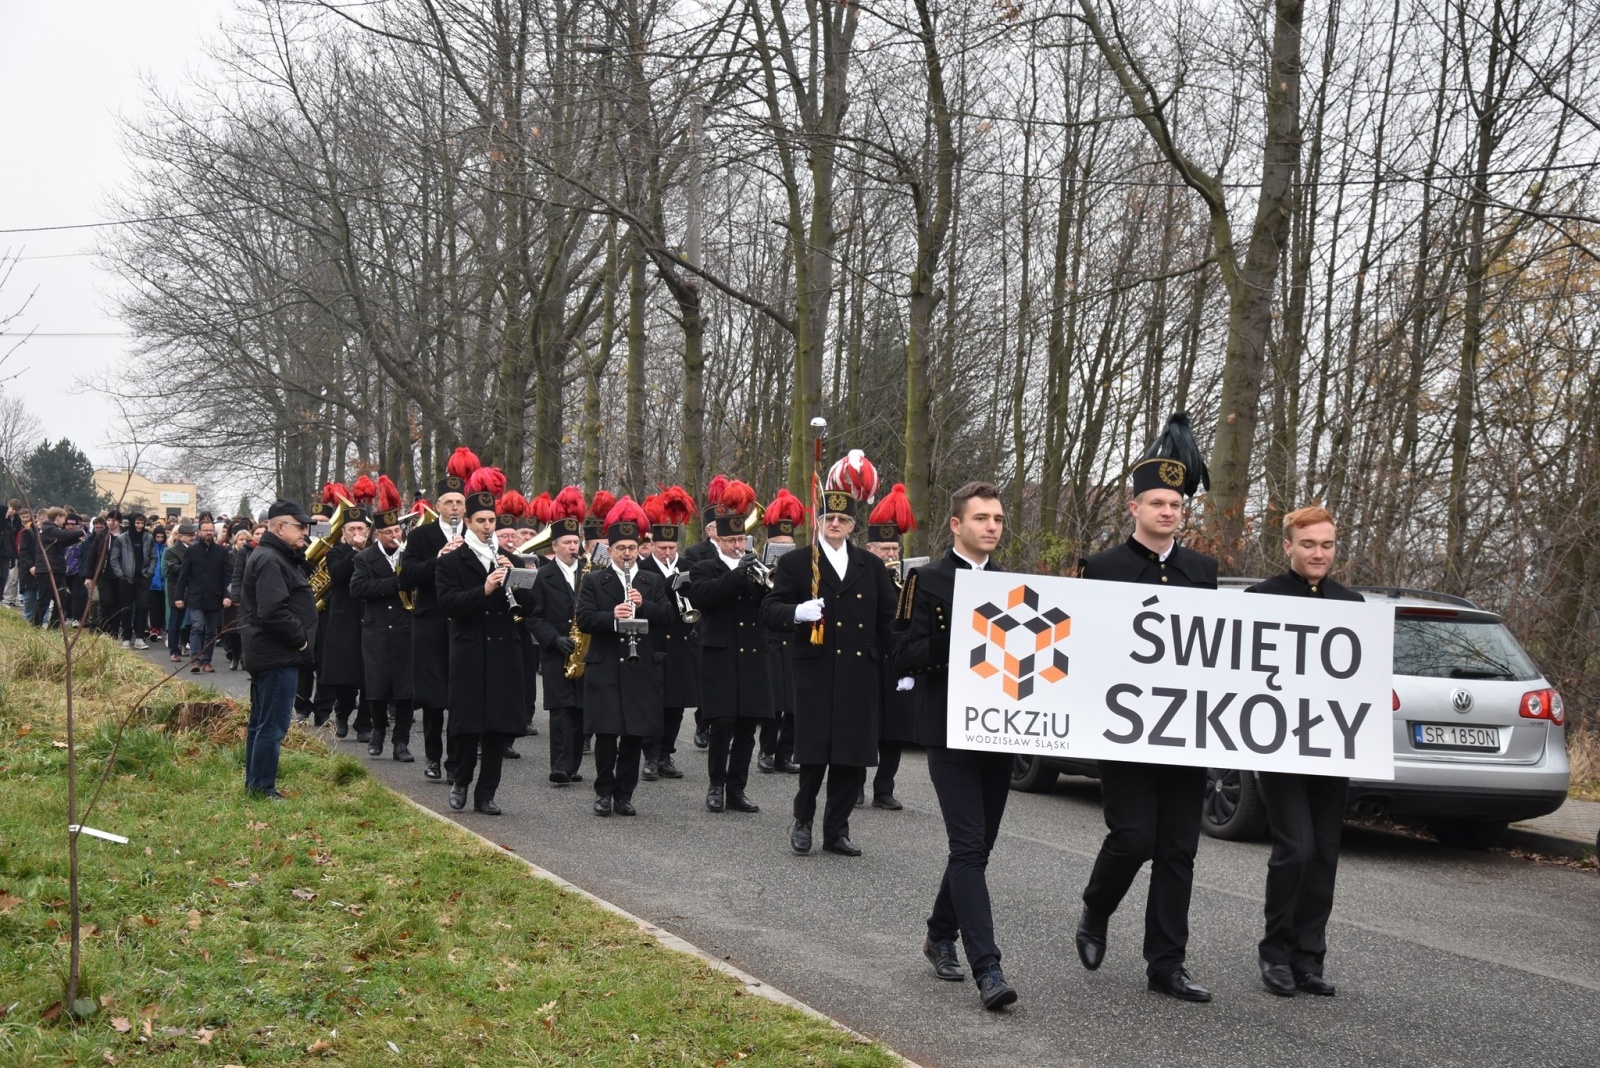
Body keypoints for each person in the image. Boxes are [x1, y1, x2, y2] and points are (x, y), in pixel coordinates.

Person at [1075, 413, 1219, 1004]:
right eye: (1157, 502)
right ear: (1133, 507)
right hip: (1122, 727)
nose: (1168, 512)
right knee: (1134, 837)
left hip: (1183, 730)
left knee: (1179, 848)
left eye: (1176, 504)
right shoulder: (1102, 568)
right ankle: (1096, 908)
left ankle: (1167, 964)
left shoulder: (1202, 571)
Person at [896, 481, 1017, 1011]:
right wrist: (963, 636)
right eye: (981, 518)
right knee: (968, 847)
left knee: (979, 847)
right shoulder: (924, 581)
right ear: (956, 524)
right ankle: (988, 968)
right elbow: (902, 654)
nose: (992, 526)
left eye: (998, 518)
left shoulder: (1013, 586)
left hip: (1001, 729)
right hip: (948, 728)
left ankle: (939, 933)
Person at [1245, 505, 1362, 998]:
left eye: (1327, 545)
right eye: (1309, 544)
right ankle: (1275, 954)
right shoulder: (1260, 598)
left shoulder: (1352, 604)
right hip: (1279, 746)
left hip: (1332, 746)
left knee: (1324, 854)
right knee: (1295, 849)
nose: (1319, 553)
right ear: (1288, 546)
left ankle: (1308, 958)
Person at [762, 483, 896, 857]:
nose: (835, 524)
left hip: (859, 673)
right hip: (816, 671)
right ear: (818, 521)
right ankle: (803, 821)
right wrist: (795, 612)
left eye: (842, 518)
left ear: (853, 525)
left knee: (850, 758)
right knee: (814, 755)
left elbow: (887, 621)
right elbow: (769, 611)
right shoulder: (797, 562)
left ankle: (836, 830)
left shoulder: (871, 566)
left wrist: (901, 665)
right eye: (828, 517)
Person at [434, 475, 536, 815]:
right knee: (467, 725)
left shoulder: (510, 559)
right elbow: (448, 604)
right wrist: (485, 590)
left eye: (491, 521)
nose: (487, 527)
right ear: (468, 522)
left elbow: (531, 607)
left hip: (505, 652)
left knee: (497, 726)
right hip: (469, 651)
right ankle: (461, 780)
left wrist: (515, 581)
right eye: (481, 521)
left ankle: (487, 793)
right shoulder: (451, 561)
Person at [577, 498, 672, 816]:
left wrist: (644, 605)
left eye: (632, 548)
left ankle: (624, 794)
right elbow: (584, 619)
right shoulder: (594, 580)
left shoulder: (651, 581)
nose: (627, 553)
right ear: (610, 550)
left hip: (640, 667)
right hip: (605, 665)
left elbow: (667, 616)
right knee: (606, 734)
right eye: (621, 549)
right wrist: (612, 617)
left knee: (634, 735)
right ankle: (603, 792)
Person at [688, 480, 773, 814]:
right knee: (722, 723)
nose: (738, 545)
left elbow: (769, 606)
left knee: (747, 727)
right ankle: (716, 785)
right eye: (732, 540)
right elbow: (705, 597)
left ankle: (737, 789)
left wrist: (766, 584)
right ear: (719, 541)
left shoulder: (755, 568)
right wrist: (739, 574)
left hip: (752, 656)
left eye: (742, 540)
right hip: (719, 656)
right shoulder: (703, 568)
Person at [400, 448, 478, 779]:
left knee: (460, 694)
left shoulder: (475, 535)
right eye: (449, 502)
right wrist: (439, 559)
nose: (455, 507)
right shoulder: (421, 535)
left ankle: (455, 761)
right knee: (433, 697)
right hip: (430, 622)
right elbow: (406, 577)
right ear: (438, 506)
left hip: (463, 621)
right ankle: (433, 757)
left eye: (459, 502)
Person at [240, 499, 318, 799]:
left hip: (271, 652)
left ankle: (256, 786)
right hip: (277, 653)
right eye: (300, 526)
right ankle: (262, 789)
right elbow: (272, 610)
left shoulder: (274, 556)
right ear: (280, 527)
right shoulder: (271, 559)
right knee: (272, 725)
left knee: (262, 723)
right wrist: (301, 640)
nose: (305, 532)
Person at [353, 495, 423, 762]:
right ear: (378, 535)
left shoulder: (409, 555)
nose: (395, 536)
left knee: (405, 689)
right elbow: (358, 588)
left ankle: (401, 741)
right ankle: (378, 731)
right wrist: (395, 583)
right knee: (377, 686)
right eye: (389, 532)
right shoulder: (364, 558)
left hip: (406, 628)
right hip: (377, 629)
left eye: (398, 531)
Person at [527, 487, 588, 786]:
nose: (572, 547)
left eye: (575, 542)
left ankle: (573, 766)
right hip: (556, 652)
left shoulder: (589, 573)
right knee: (561, 710)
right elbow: (534, 617)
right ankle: (560, 766)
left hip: (584, 652)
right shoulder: (543, 575)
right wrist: (554, 639)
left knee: (580, 710)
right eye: (567, 542)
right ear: (554, 546)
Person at [638, 487, 699, 781]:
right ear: (653, 545)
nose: (667, 553)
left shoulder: (688, 568)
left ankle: (666, 755)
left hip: (682, 644)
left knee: (676, 704)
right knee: (652, 703)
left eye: (672, 548)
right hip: (653, 642)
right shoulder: (643, 569)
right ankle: (650, 755)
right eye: (662, 548)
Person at [864, 484, 918, 809]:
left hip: (897, 660)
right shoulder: (859, 576)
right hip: (868, 659)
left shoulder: (907, 580)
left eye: (894, 549)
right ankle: (854, 785)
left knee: (895, 729)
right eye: (884, 549)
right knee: (862, 727)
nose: (890, 555)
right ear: (869, 548)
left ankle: (884, 788)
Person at [758, 489, 804, 775]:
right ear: (768, 544)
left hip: (794, 637)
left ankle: (786, 753)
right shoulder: (758, 566)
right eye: (778, 545)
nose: (784, 549)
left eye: (788, 545)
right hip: (770, 638)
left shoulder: (800, 566)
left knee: (795, 702)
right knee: (773, 701)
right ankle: (766, 750)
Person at [174, 518, 233, 673]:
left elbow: (226, 576)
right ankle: (195, 659)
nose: (208, 533)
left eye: (210, 530)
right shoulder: (191, 551)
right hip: (196, 596)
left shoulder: (221, 552)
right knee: (197, 627)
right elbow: (183, 575)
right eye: (205, 530)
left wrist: (227, 595)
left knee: (211, 631)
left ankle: (207, 661)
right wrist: (178, 597)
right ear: (199, 532)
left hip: (215, 597)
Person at [110, 513, 155, 647]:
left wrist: (149, 573)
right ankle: (126, 638)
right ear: (131, 523)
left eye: (142, 523)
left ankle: (140, 637)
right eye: (137, 523)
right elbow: (114, 559)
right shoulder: (121, 539)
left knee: (143, 607)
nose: (140, 526)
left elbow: (153, 557)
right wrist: (121, 576)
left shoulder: (148, 538)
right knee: (126, 609)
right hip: (126, 579)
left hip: (143, 578)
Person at [163, 523, 195, 661]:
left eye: (193, 535)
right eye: (189, 535)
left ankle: (190, 647)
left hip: (194, 589)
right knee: (175, 621)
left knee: (194, 621)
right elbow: (173, 568)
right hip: (178, 590)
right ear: (180, 536)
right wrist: (192, 567)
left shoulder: (196, 549)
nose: (193, 537)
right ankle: (174, 650)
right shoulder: (171, 551)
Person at [147, 526, 168, 641]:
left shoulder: (166, 548)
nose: (159, 539)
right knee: (154, 607)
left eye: (161, 537)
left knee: (162, 607)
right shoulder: (150, 548)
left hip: (164, 583)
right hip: (153, 582)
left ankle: (159, 627)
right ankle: (154, 628)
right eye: (157, 537)